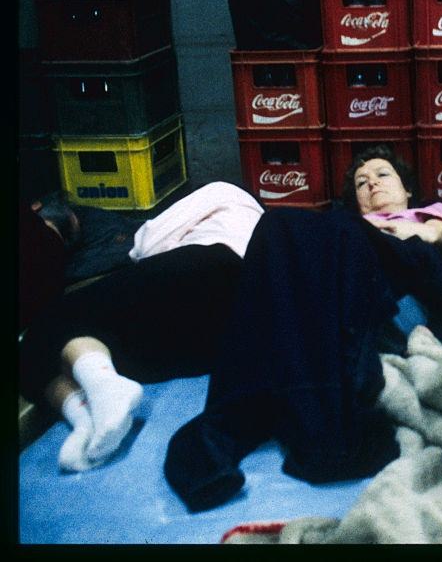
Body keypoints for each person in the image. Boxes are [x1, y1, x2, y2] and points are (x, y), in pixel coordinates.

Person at [164, 145, 442, 512]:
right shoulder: (338, 227)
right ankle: (233, 420)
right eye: (361, 182)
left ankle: (308, 426)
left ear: (408, 189)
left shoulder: (435, 217)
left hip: (403, 285)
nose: (372, 184)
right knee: (277, 225)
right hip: (346, 276)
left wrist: (431, 231)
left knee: (311, 227)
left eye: (382, 175)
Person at [18, 182, 265, 472]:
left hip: (209, 267)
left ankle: (93, 403)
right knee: (79, 340)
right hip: (228, 332)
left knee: (47, 330)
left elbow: (145, 243)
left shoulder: (222, 191)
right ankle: (89, 417)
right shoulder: (249, 216)